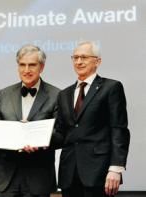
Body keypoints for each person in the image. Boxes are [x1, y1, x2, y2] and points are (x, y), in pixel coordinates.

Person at [56, 41, 130, 197]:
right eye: (75, 57)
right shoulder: (64, 94)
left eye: (84, 57)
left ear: (98, 61)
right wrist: (32, 138)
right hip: (69, 173)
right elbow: (61, 133)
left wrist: (116, 168)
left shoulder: (111, 88)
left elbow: (119, 129)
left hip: (99, 172)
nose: (78, 61)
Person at [0, 44, 62, 197]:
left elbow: (61, 135)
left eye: (32, 65)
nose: (26, 70)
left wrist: (39, 142)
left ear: (41, 67)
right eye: (22, 65)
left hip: (38, 177)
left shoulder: (57, 95)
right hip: (6, 177)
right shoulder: (5, 93)